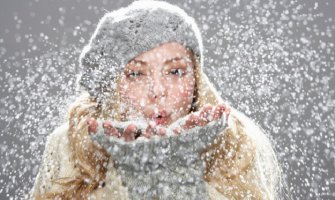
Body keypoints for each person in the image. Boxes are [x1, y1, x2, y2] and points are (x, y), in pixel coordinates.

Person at [29, 0, 285, 199]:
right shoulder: (70, 143)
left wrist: (179, 172)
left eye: (175, 71)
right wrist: (126, 173)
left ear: (196, 78)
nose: (157, 91)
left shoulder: (235, 141)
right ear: (109, 85)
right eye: (136, 73)